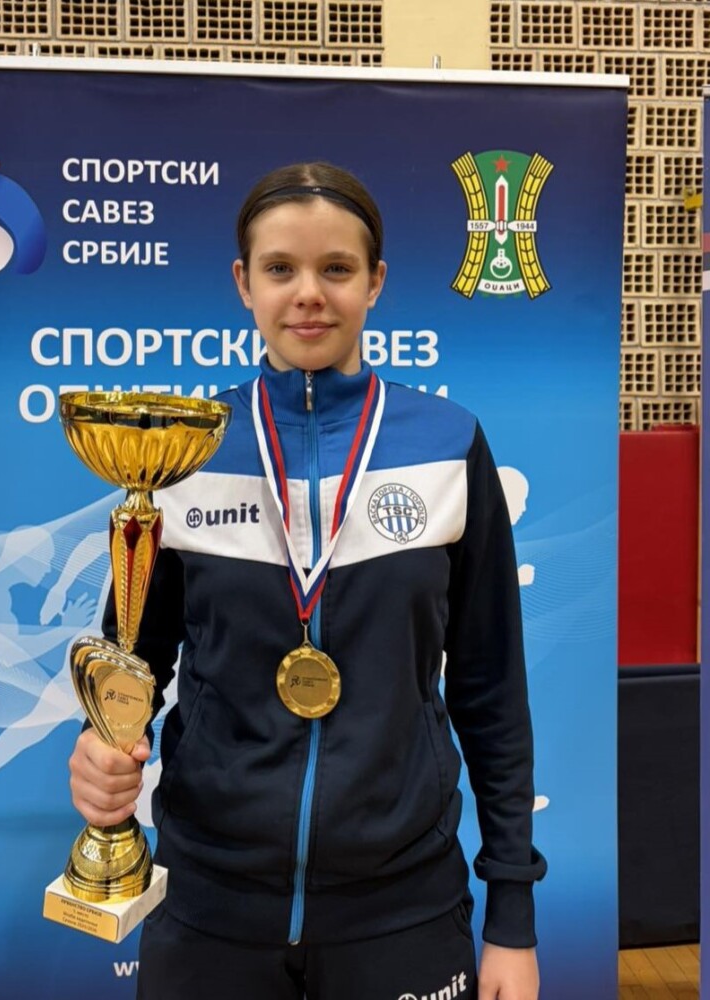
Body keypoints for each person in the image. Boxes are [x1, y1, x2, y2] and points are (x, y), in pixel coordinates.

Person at [68, 162, 546, 1000]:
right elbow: (130, 659)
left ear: (375, 282)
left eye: (337, 268)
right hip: (210, 907)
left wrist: (512, 912)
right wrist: (100, 747)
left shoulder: (447, 444)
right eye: (281, 268)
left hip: (402, 908)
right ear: (243, 283)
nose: (309, 295)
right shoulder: (185, 453)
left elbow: (491, 688)